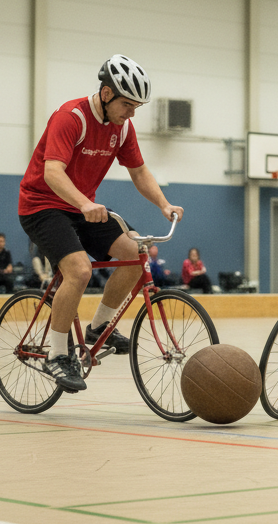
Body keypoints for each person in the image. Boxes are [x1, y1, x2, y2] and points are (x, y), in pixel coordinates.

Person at [18, 54, 183, 393]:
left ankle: (99, 327)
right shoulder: (71, 117)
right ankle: (58, 354)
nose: (132, 113)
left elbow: (138, 171)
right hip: (42, 206)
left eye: (137, 106)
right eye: (127, 104)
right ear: (106, 94)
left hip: (83, 207)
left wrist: (164, 204)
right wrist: (84, 202)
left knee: (134, 255)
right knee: (79, 271)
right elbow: (52, 173)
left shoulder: (122, 127)